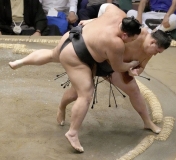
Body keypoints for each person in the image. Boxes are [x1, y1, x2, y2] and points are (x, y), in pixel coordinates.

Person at [8, 4, 141, 153]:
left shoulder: (116, 12)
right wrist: (132, 64)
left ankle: (20, 62)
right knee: (86, 94)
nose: (129, 43)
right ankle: (72, 133)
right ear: (125, 35)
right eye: (131, 40)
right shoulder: (116, 43)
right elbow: (118, 67)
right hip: (76, 54)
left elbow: (104, 6)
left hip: (73, 35)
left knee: (52, 55)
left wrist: (92, 20)